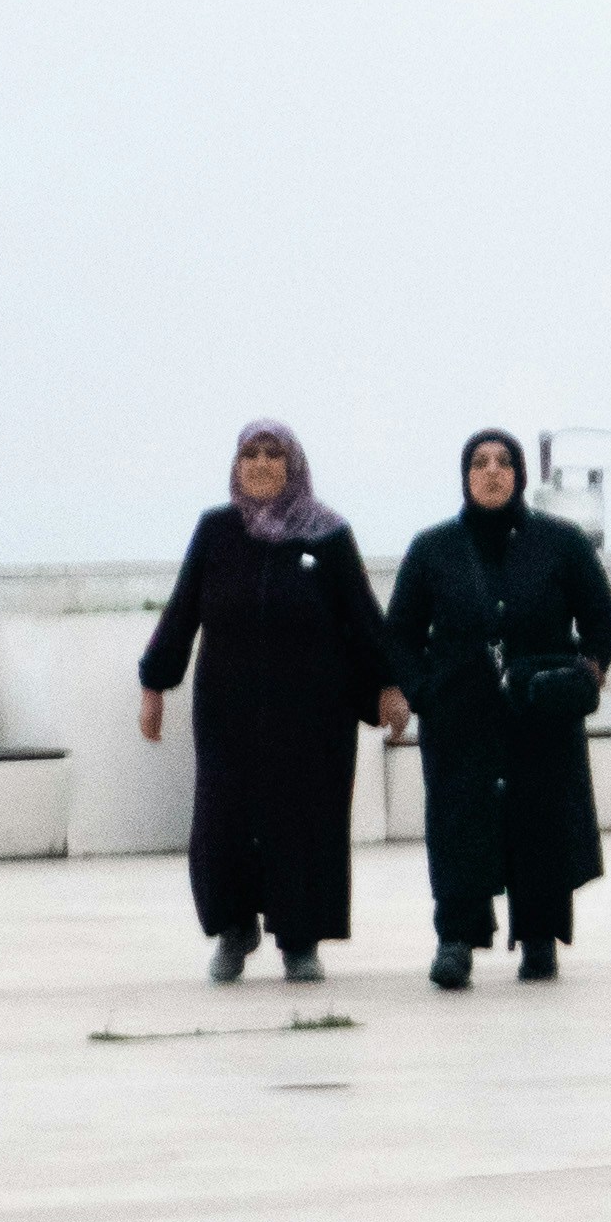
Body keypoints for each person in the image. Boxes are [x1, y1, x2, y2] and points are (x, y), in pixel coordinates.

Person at [135, 421, 402, 983]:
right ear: (236, 465)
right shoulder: (216, 531)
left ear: (293, 464)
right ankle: (233, 930)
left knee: (304, 822)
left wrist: (390, 684)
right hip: (227, 713)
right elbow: (183, 610)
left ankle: (300, 940)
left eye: (273, 454)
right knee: (222, 823)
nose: (260, 463)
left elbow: (362, 615)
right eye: (249, 454)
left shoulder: (327, 535)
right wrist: (154, 684)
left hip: (312, 716)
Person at [389, 429, 611, 990]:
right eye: (479, 462)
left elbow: (601, 618)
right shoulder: (433, 549)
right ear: (465, 476)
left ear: (519, 474)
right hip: (459, 718)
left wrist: (585, 675)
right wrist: (424, 692)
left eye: (502, 462)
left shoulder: (561, 543)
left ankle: (540, 939)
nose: (491, 471)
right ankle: (456, 941)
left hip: (540, 713)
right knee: (459, 827)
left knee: (540, 822)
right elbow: (399, 634)